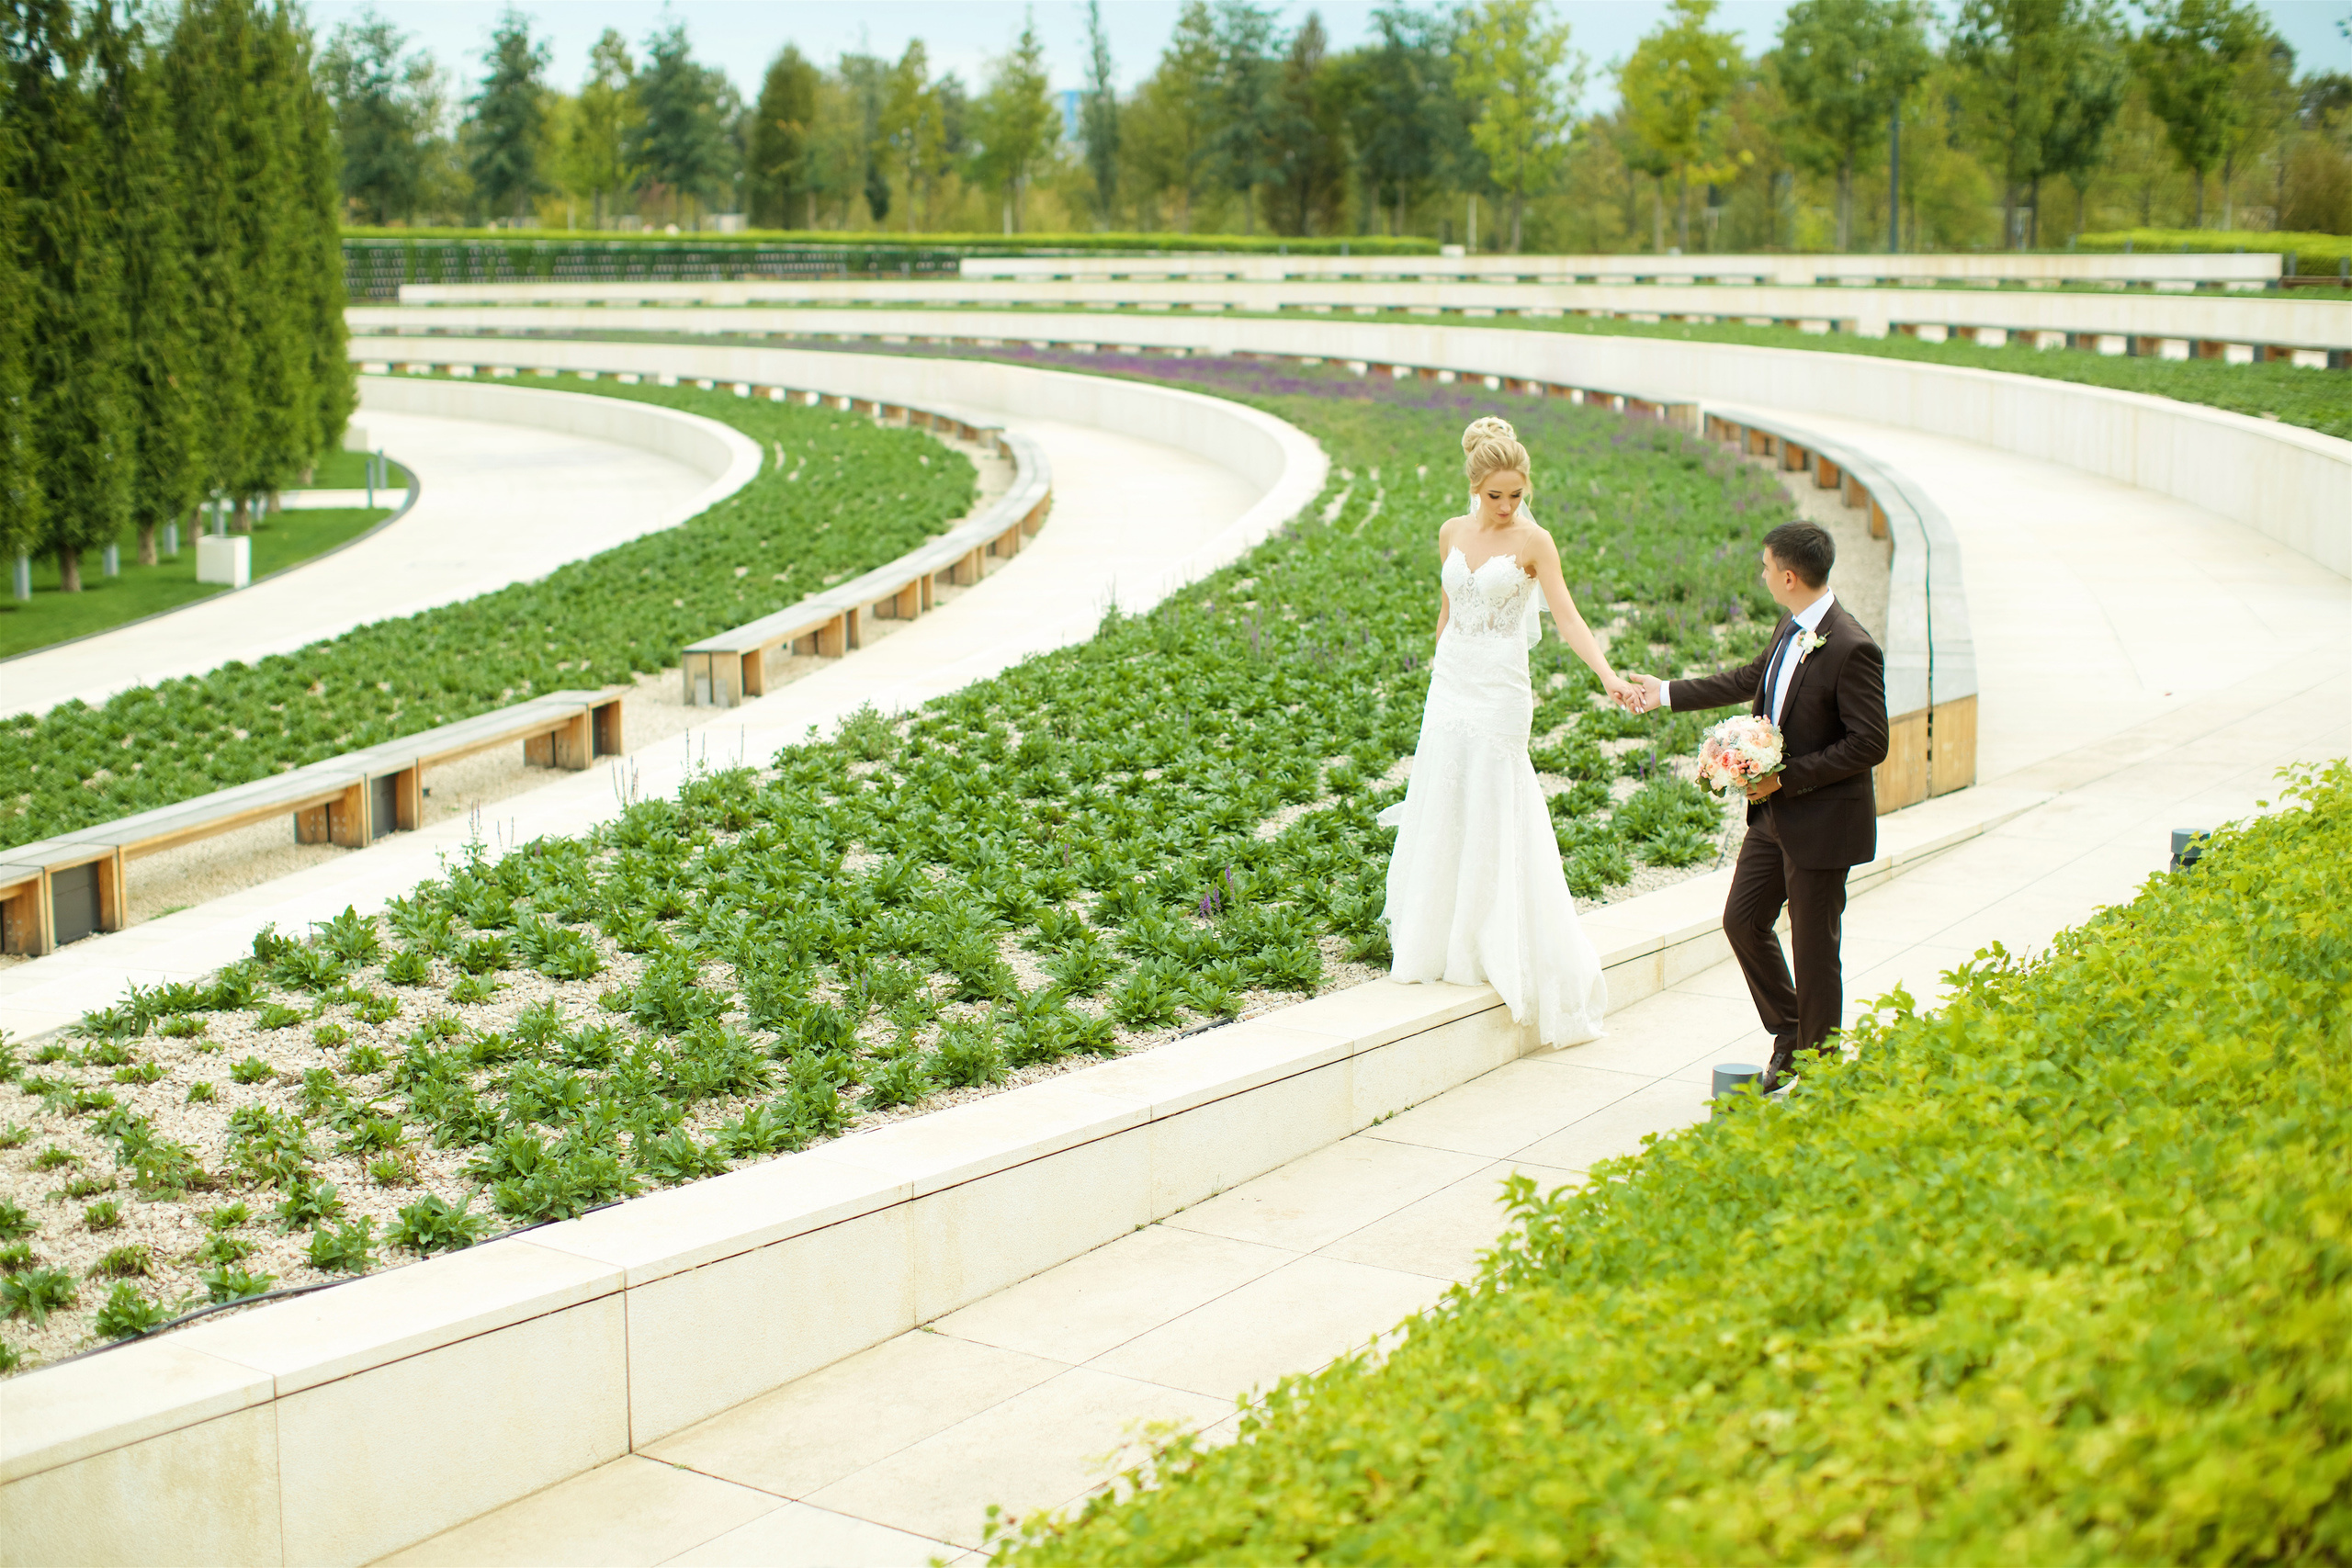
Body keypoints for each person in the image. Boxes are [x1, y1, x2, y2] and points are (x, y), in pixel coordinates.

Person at [1379, 416, 1645, 1049]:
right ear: (1474, 485)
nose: (1505, 506)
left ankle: (1499, 936)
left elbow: (1567, 615)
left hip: (1501, 686)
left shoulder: (1534, 541)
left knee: (1498, 796)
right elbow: (1447, 610)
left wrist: (1607, 675)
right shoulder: (1450, 531)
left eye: (1515, 495)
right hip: (1452, 682)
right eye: (1495, 494)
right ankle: (1440, 936)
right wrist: (1437, 672)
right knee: (1444, 792)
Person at [1625, 521, 1889, 1093]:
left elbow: (1870, 743)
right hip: (1774, 819)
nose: (1763, 574)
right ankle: (1792, 1033)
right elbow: (1751, 679)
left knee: (1815, 951)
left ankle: (1819, 1076)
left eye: (1767, 567)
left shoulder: (1852, 645)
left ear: (1789, 576)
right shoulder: (1790, 624)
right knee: (1742, 920)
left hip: (1820, 821)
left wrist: (1785, 780)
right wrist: (1665, 692)